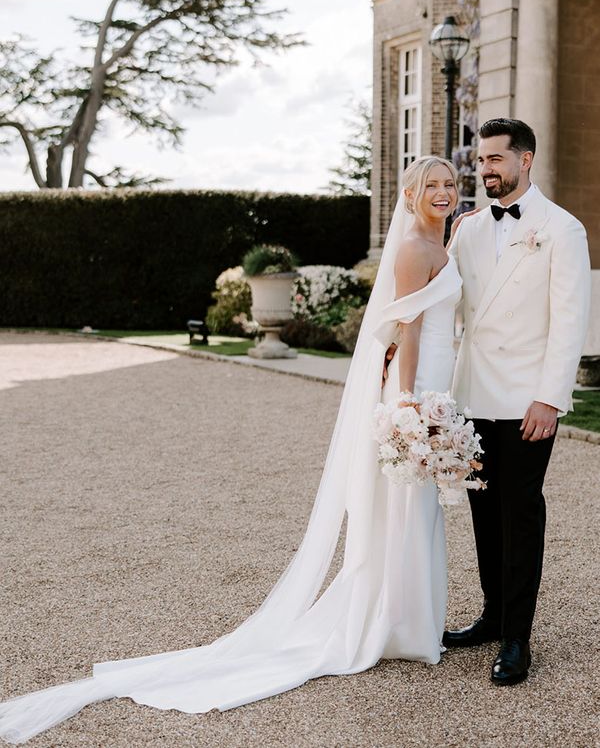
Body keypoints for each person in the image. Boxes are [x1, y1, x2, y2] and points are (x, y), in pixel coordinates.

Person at [0, 156, 462, 744]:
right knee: (409, 508)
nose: (443, 193)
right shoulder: (413, 251)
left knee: (419, 509)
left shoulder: (442, 240)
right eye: (432, 186)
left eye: (449, 184)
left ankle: (412, 621)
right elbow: (409, 332)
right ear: (412, 194)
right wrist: (410, 406)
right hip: (420, 391)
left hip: (442, 384)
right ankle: (403, 626)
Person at [442, 118, 591, 685]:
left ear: (525, 159)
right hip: (472, 394)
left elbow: (570, 322)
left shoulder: (562, 228)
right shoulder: (469, 227)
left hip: (528, 398)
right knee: (483, 510)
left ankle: (517, 637)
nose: (485, 170)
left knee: (520, 512)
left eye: (496, 160)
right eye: (481, 162)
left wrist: (550, 399)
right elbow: (444, 300)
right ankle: (491, 615)